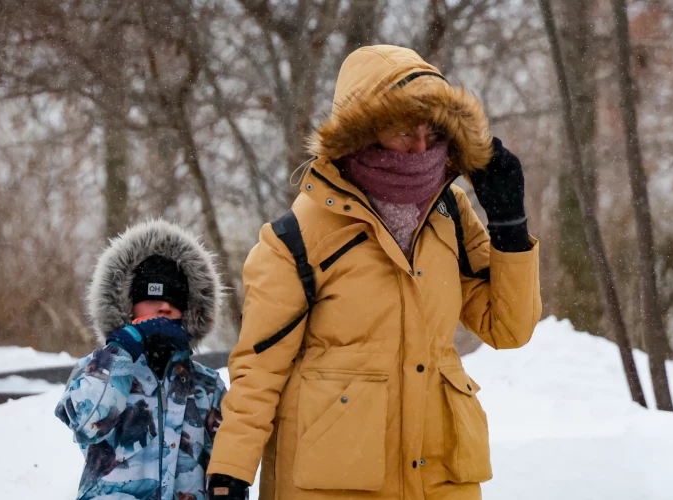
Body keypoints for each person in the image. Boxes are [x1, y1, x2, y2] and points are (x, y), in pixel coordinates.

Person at [206, 45, 542, 500]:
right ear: (360, 134)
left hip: (439, 482)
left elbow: (509, 328)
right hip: (334, 485)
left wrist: (510, 228)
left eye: (430, 130)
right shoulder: (298, 235)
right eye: (403, 130)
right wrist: (229, 473)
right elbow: (259, 370)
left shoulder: (450, 212)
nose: (421, 147)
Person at [56, 219, 227, 500]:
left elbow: (226, 470)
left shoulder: (208, 387)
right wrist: (121, 350)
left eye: (175, 301)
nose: (164, 307)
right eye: (152, 296)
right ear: (127, 303)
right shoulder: (96, 369)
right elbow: (86, 424)